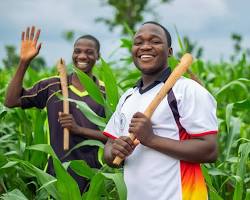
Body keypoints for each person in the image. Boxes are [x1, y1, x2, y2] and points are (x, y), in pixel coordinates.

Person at [103, 21, 218, 200]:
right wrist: (116, 150)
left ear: (170, 51)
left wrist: (151, 139)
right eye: (138, 42)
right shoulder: (127, 97)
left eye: (155, 41)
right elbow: (108, 150)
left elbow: (209, 150)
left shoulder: (187, 90)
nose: (145, 47)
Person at [4, 26, 107, 192]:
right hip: (55, 177)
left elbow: (114, 136)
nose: (82, 56)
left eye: (89, 52)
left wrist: (78, 129)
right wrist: (24, 62)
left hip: (92, 178)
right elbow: (11, 101)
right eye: (77, 51)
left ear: (98, 56)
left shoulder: (105, 93)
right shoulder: (53, 85)